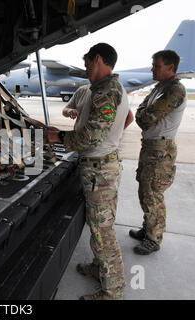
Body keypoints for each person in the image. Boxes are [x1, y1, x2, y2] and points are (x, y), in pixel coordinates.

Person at [45, 43, 130, 300]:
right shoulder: (112, 89)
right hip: (102, 168)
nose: (86, 70)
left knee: (103, 232)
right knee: (99, 227)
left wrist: (59, 137)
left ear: (99, 59)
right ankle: (99, 267)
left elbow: (93, 136)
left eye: (88, 64)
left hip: (100, 172)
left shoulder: (106, 91)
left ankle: (112, 292)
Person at [130, 50, 187, 255]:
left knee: (153, 193)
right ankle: (148, 229)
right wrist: (144, 115)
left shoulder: (175, 90)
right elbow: (140, 112)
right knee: (145, 190)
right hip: (150, 147)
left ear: (170, 67)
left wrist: (144, 115)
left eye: (157, 65)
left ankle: (154, 238)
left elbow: (147, 117)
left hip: (161, 150)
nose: (152, 68)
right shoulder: (159, 88)